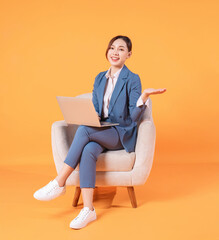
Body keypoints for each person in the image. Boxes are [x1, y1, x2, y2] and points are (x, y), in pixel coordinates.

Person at [33, 35, 166, 229]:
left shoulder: (132, 79)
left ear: (128, 54)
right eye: (112, 48)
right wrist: (88, 114)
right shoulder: (99, 78)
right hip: (101, 129)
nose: (115, 52)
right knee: (88, 150)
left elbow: (134, 117)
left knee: (85, 131)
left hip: (121, 133)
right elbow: (96, 108)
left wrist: (144, 96)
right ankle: (88, 210)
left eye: (121, 49)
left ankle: (59, 181)